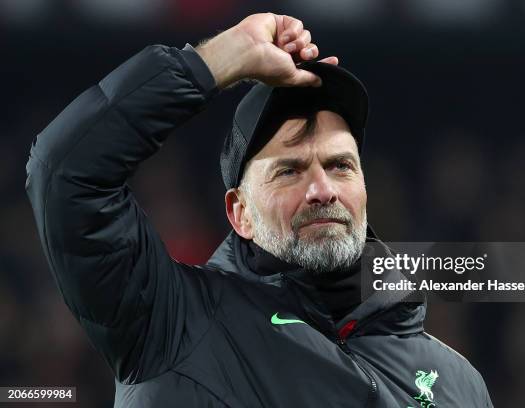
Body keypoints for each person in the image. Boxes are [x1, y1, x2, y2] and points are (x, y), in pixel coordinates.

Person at [26, 12, 493, 407]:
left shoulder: (457, 382)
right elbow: (65, 172)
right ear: (239, 213)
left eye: (339, 165)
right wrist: (220, 59)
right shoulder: (172, 323)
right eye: (289, 170)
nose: (322, 189)